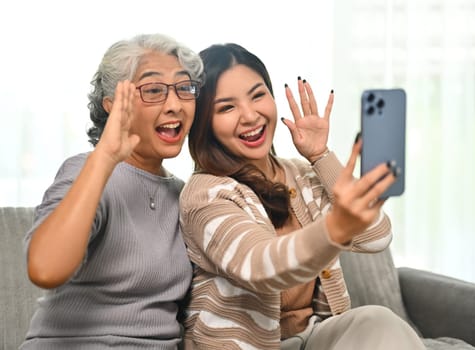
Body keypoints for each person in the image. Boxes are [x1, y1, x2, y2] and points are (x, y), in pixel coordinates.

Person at [179, 43, 425, 350]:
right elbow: (262, 267)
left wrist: (321, 156)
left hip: (312, 338)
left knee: (377, 321)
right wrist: (334, 228)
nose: (250, 115)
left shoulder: (300, 174)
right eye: (227, 107)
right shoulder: (204, 195)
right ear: (205, 123)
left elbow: (376, 238)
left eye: (258, 95)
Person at [20, 33, 203, 349]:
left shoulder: (184, 195)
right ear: (112, 105)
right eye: (154, 90)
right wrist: (104, 157)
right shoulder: (86, 171)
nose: (174, 105)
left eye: (184, 89)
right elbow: (45, 269)